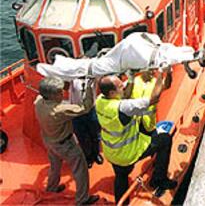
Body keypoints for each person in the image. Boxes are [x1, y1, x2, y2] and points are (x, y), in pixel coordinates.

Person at [96, 71, 176, 205]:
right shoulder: (122, 107)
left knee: (121, 175)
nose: (124, 86)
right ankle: (159, 179)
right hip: (128, 151)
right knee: (165, 139)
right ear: (112, 93)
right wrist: (162, 72)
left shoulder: (100, 101)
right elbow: (154, 99)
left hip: (112, 151)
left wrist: (131, 77)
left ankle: (121, 203)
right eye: (120, 86)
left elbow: (125, 95)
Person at [34, 77, 99, 205]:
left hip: (49, 141)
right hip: (65, 145)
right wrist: (89, 88)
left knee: (54, 166)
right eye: (59, 92)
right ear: (52, 95)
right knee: (80, 169)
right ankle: (82, 199)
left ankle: (51, 188)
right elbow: (85, 107)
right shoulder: (60, 110)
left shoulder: (38, 102)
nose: (62, 93)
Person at [69, 79, 103, 169]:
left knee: (95, 135)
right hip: (76, 112)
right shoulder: (72, 77)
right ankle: (88, 157)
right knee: (82, 137)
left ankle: (96, 154)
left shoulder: (93, 76)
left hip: (91, 110)